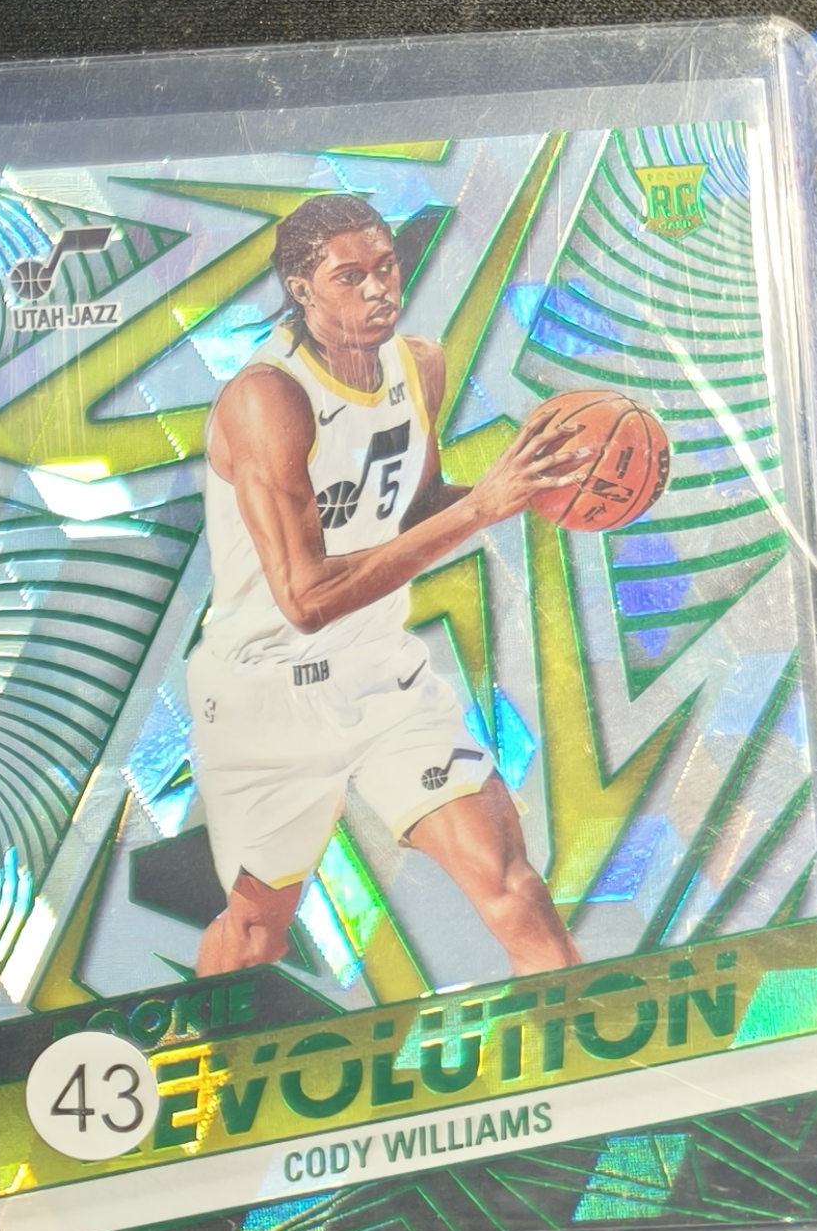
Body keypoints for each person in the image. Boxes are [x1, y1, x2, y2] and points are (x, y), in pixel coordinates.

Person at [190, 194, 591, 984]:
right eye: (350, 276)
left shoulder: (418, 364)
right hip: (266, 694)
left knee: (514, 888)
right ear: (301, 289)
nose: (379, 288)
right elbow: (305, 600)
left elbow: (418, 508)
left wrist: (539, 488)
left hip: (381, 676)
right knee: (257, 934)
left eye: (386, 267)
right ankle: (193, 1055)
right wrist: (482, 509)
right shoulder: (266, 398)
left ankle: (582, 1053)